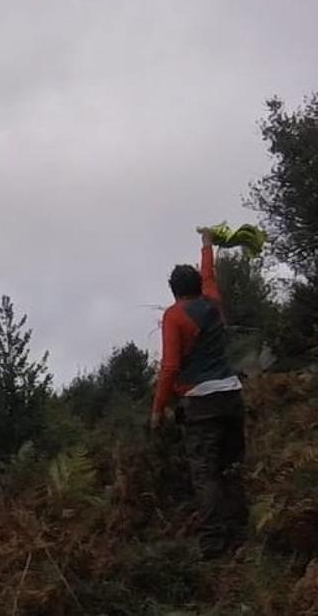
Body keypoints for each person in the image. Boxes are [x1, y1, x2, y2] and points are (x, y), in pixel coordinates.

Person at [151, 228, 248, 558]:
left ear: (174, 292)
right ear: (196, 287)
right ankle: (239, 534)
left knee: (205, 474)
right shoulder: (213, 304)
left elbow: (169, 368)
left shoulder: (174, 316)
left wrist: (157, 409)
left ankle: (212, 546)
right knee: (231, 466)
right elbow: (209, 275)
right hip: (232, 395)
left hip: (200, 403)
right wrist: (207, 244)